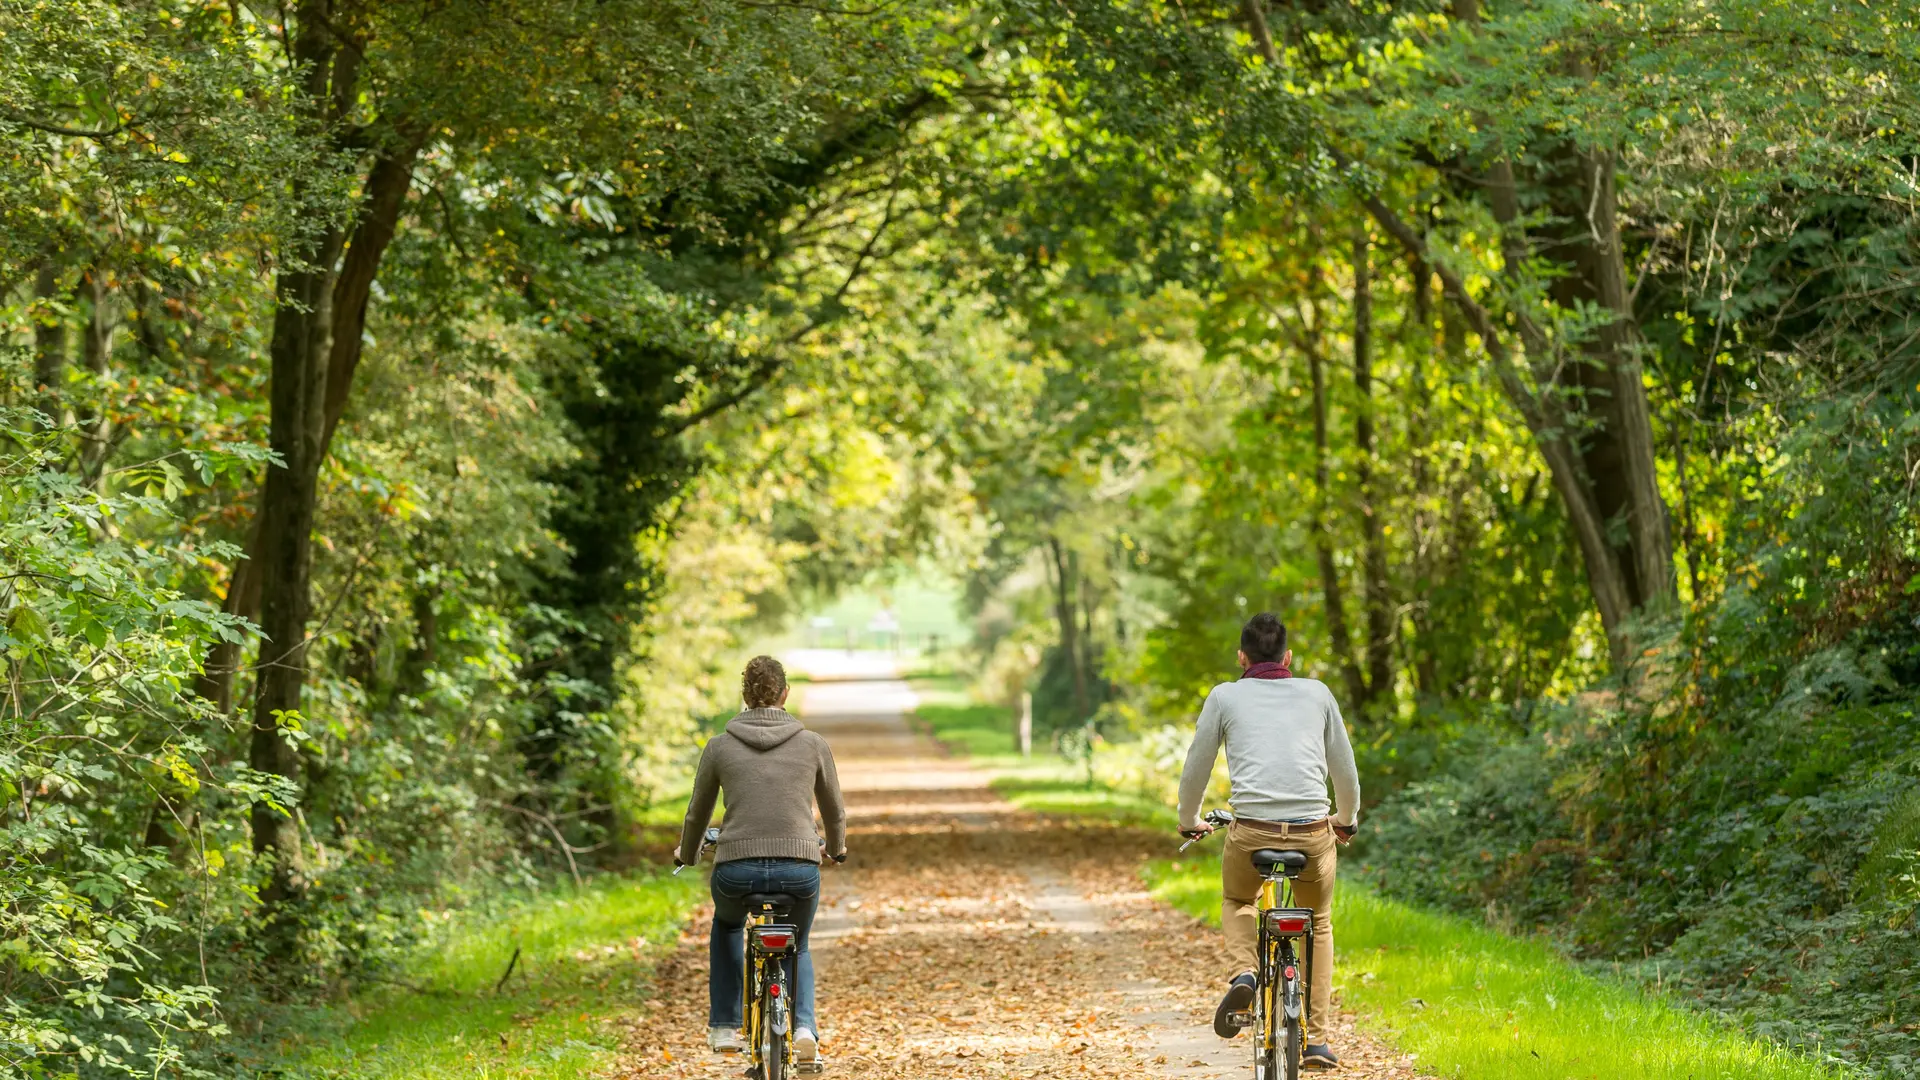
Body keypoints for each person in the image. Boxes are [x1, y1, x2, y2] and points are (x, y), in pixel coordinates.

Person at [1177, 613, 1359, 1072]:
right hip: (1313, 834)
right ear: (1288, 657)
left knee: (1238, 899)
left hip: (1252, 832)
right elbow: (1345, 770)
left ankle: (1245, 973)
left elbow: (1197, 764)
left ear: (1242, 657)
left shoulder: (1225, 696)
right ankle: (1316, 1040)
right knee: (1317, 920)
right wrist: (1347, 819)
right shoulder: (1317, 693)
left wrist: (1189, 820)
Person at [677, 655, 847, 1063]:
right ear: (785, 694)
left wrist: (687, 853)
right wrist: (836, 848)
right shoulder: (812, 744)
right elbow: (834, 811)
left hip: (736, 869)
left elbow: (697, 813)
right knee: (800, 945)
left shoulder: (719, 746)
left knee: (728, 926)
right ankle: (805, 1027)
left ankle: (723, 1027)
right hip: (799, 868)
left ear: (744, 697)